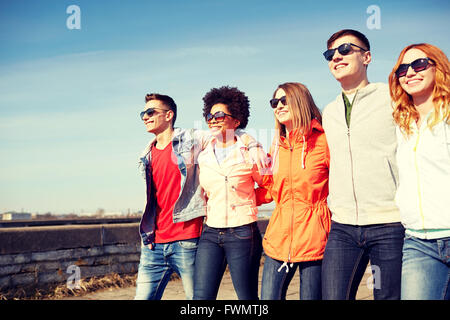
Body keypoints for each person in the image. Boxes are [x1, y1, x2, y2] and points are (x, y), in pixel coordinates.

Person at [135, 93, 267, 300]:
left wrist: (254, 145)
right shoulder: (147, 154)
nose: (145, 116)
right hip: (157, 242)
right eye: (143, 113)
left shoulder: (192, 139)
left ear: (169, 115)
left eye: (151, 112)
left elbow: (233, 134)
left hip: (188, 239)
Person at [320, 29, 405, 300]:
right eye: (330, 54)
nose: (336, 57)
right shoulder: (329, 112)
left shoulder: (391, 97)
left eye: (345, 50)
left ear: (366, 57)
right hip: (342, 226)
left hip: (389, 223)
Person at [256, 82, 331, 300]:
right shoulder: (276, 146)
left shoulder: (323, 141)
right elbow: (270, 189)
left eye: (283, 100)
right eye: (274, 102)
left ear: (300, 101)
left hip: (315, 238)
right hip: (278, 239)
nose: (278, 106)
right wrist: (239, 193)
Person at [388, 43, 450, 300]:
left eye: (419, 64)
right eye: (403, 68)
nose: (410, 72)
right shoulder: (402, 123)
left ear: (439, 68)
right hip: (418, 243)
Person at [193, 86, 263, 300]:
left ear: (237, 120)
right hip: (210, 232)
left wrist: (248, 201)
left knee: (247, 298)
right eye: (209, 116)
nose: (213, 120)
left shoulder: (251, 153)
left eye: (220, 115)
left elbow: (270, 186)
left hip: (242, 232)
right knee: (201, 298)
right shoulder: (202, 154)